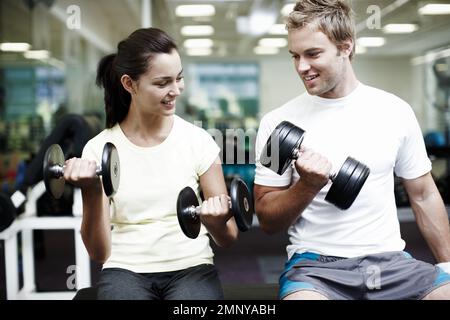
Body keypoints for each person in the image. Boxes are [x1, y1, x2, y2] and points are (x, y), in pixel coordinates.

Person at [254, 0, 450, 300]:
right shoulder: (277, 124)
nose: (301, 67)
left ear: (345, 47)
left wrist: (447, 265)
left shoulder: (395, 111)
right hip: (315, 268)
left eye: (312, 54)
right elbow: (267, 220)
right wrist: (307, 185)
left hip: (391, 262)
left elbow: (423, 194)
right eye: (295, 56)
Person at [63, 28, 238, 300]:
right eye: (162, 83)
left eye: (179, 79)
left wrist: (215, 222)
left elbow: (228, 237)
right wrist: (92, 189)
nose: (176, 90)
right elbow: (98, 253)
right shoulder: (99, 149)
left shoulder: (198, 141)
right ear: (129, 84)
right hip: (125, 268)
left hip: (191, 266)